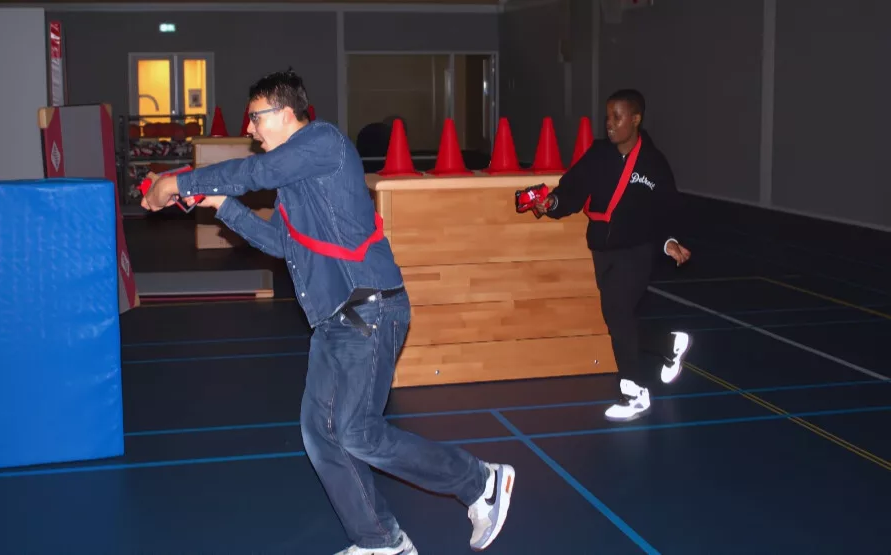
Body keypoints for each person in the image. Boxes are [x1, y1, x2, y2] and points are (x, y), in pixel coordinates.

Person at [142, 70, 516, 554]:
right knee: (321, 435)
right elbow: (280, 241)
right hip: (334, 322)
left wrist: (175, 181)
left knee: (359, 433)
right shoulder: (296, 181)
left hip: (369, 310)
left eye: (256, 119)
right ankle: (380, 541)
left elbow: (253, 173)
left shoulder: (322, 142)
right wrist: (221, 205)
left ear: (285, 113)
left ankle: (480, 481)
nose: (250, 130)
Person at [533, 89, 693, 422]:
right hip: (602, 250)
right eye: (607, 117)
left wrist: (671, 241)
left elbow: (668, 209)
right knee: (618, 320)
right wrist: (553, 204)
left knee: (617, 311)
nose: (609, 124)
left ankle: (634, 391)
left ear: (635, 119)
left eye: (617, 117)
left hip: (637, 251)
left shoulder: (653, 163)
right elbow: (572, 190)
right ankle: (667, 344)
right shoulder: (598, 154)